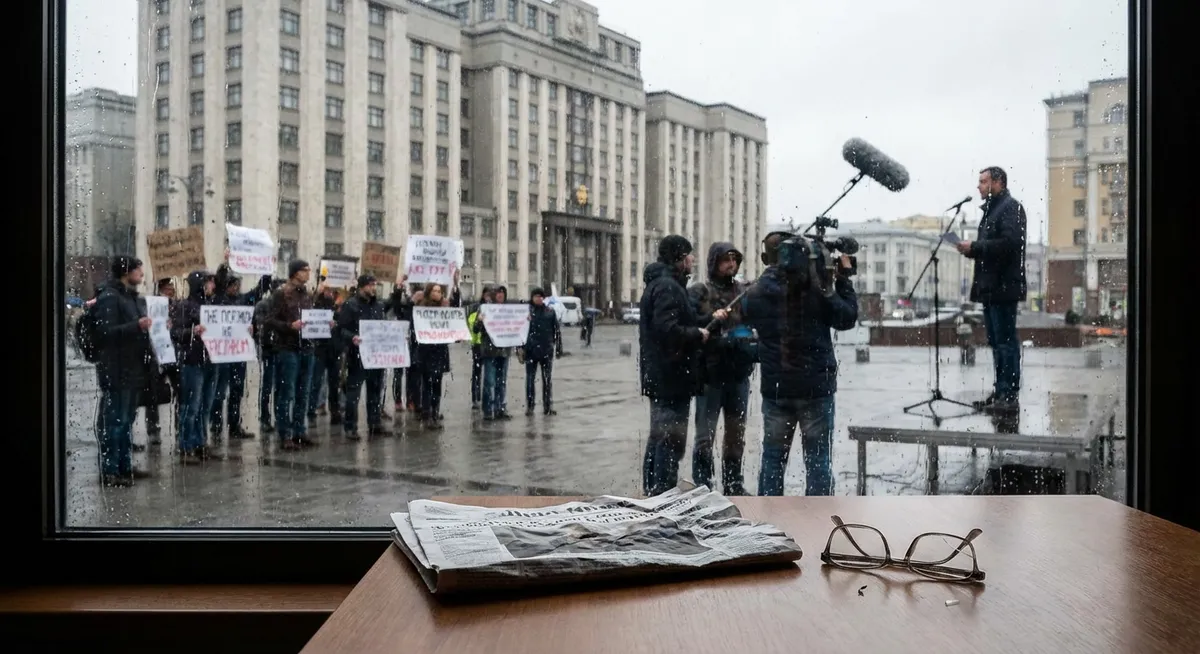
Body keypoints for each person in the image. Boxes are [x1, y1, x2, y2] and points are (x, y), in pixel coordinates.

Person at [741, 231, 858, 496]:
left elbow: (745, 320)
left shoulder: (757, 292)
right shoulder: (815, 291)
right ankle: (816, 522)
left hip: (776, 389)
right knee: (817, 461)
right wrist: (843, 279)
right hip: (815, 389)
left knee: (772, 460)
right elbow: (847, 317)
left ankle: (766, 522)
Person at [638, 235, 726, 496]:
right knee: (669, 441)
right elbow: (667, 329)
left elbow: (679, 320)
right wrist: (697, 334)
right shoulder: (667, 287)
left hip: (663, 377)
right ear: (679, 257)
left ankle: (653, 492)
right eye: (689, 254)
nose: (693, 259)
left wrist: (710, 320)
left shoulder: (664, 284)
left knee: (659, 438)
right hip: (671, 378)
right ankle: (662, 495)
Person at [957, 166, 1027, 413]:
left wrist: (975, 247)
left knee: (1006, 342)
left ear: (998, 182)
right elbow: (992, 247)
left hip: (1003, 287)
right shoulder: (993, 210)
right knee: (997, 342)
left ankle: (1009, 395)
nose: (979, 186)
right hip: (992, 287)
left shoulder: (1010, 208)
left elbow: (1010, 244)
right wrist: (972, 250)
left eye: (983, 181)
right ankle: (1000, 391)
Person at [688, 242, 755, 495]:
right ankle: (703, 487)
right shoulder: (700, 291)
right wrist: (711, 318)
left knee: (735, 434)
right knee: (705, 436)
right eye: (726, 260)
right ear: (714, 262)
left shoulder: (743, 290)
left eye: (735, 260)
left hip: (738, 374)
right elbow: (689, 324)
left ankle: (733, 483)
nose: (732, 265)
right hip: (710, 375)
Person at [92, 256, 157, 486]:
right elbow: (105, 333)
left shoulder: (130, 298)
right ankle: (110, 472)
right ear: (125, 271)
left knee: (126, 421)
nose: (141, 272)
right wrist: (136, 326)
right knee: (114, 422)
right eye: (138, 269)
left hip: (133, 368)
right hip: (116, 369)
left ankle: (124, 467)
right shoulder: (110, 297)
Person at [265, 259, 318, 449]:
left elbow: (311, 318)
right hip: (287, 349)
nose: (308, 273)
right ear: (296, 272)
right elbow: (269, 320)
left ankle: (299, 431)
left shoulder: (307, 294)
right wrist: (289, 327)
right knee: (286, 393)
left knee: (303, 393)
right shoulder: (281, 294)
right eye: (305, 270)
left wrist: (323, 325)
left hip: (306, 348)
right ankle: (285, 434)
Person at [170, 269, 218, 464]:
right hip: (192, 362)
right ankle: (185, 446)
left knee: (205, 406)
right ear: (200, 284)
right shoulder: (185, 306)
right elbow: (175, 333)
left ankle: (200, 443)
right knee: (191, 406)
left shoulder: (211, 306)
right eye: (209, 282)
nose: (213, 286)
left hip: (210, 360)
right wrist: (192, 331)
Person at [338, 275, 392, 439]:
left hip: (376, 355)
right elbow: (341, 329)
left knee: (375, 391)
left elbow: (383, 327)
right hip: (358, 356)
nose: (374, 288)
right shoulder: (351, 305)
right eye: (370, 285)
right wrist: (352, 337)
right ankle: (350, 427)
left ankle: (374, 424)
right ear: (362, 287)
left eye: (375, 285)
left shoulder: (378, 306)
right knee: (353, 394)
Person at [412, 282, 458, 429]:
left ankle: (435, 412)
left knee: (437, 385)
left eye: (439, 291)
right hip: (426, 351)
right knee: (427, 384)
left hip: (440, 351)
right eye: (434, 291)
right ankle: (427, 413)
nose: (437, 293)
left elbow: (453, 323)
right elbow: (415, 327)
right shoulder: (421, 309)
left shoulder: (444, 310)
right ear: (429, 292)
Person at [524, 287, 562, 416]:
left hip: (546, 350)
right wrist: (521, 348)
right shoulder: (527, 312)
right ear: (532, 298)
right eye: (536, 296)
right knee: (530, 380)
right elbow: (519, 330)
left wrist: (558, 347)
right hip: (531, 350)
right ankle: (530, 406)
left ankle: (547, 406)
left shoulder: (549, 312)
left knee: (547, 380)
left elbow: (556, 330)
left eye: (541, 296)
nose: (538, 299)